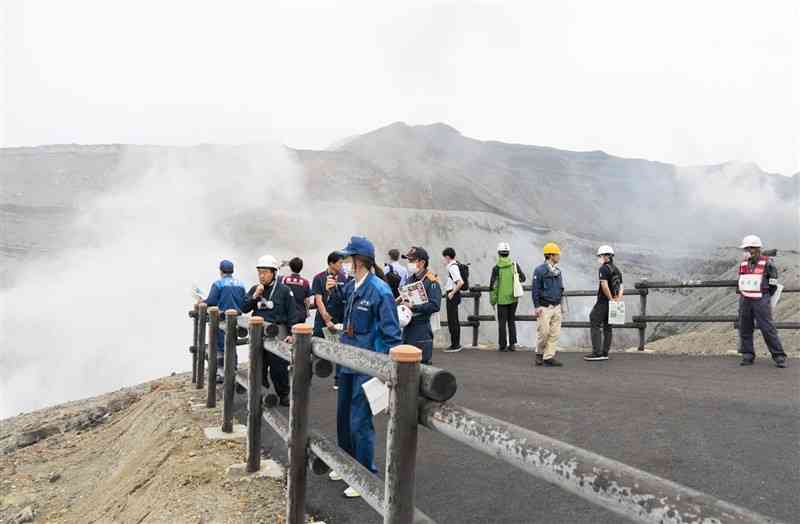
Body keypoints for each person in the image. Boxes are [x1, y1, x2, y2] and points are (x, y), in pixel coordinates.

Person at [326, 236, 402, 498]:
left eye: (349, 258)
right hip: (347, 360)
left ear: (360, 261)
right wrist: (333, 291)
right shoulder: (351, 287)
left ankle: (364, 473)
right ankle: (345, 464)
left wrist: (382, 370)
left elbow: (392, 336)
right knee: (343, 415)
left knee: (360, 421)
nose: (345, 263)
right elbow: (338, 312)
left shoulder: (380, 291)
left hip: (367, 365)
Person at [241, 255, 299, 406]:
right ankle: (261, 393)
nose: (262, 275)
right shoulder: (255, 289)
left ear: (274, 272)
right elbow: (244, 307)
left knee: (278, 366)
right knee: (258, 364)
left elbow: (293, 313)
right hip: (258, 331)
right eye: (259, 272)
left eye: (265, 272)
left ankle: (284, 394)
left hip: (278, 330)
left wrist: (292, 333)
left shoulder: (284, 290)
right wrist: (255, 296)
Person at [737, 235, 787, 368]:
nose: (748, 250)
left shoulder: (768, 263)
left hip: (761, 299)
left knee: (767, 328)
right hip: (745, 299)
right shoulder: (743, 263)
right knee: (745, 327)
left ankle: (779, 356)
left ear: (757, 248)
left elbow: (773, 284)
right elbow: (741, 280)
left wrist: (765, 296)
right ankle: (747, 355)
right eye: (746, 248)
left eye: (750, 248)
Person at [202, 259, 247, 382]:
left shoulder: (218, 284)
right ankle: (234, 368)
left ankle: (223, 374)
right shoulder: (241, 284)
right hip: (237, 319)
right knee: (232, 344)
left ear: (221, 271)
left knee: (221, 346)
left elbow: (211, 301)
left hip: (223, 320)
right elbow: (244, 302)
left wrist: (202, 302)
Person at [312, 252, 350, 389]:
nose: (342, 265)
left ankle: (338, 380)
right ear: (331, 264)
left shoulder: (345, 277)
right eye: (340, 263)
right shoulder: (319, 278)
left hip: (339, 320)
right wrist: (327, 319)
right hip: (322, 320)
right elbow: (318, 300)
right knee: (313, 346)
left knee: (339, 348)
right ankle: (305, 377)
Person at [400, 247, 442, 364]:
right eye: (409, 261)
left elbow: (435, 305)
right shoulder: (410, 279)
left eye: (412, 261)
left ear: (422, 262)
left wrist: (413, 307)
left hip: (422, 328)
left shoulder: (431, 280)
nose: (409, 264)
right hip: (408, 327)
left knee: (420, 364)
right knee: (405, 363)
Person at [586, 245, 623, 361]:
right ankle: (605, 353)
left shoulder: (603, 269)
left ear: (606, 256)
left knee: (594, 320)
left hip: (603, 301)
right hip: (614, 302)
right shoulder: (617, 269)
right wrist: (617, 299)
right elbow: (621, 287)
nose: (599, 258)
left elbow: (604, 285)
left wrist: (610, 299)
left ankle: (597, 353)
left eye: (600, 256)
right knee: (608, 327)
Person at [532, 243, 565, 367]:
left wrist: (561, 306)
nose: (559, 256)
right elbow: (535, 289)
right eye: (557, 254)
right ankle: (539, 354)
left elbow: (560, 289)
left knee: (555, 333)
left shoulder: (558, 271)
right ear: (551, 255)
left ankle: (548, 357)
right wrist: (537, 306)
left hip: (556, 306)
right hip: (544, 307)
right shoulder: (539, 270)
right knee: (544, 332)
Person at [490, 242, 526, 352]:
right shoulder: (514, 265)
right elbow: (523, 278)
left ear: (499, 253)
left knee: (502, 322)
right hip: (514, 298)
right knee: (511, 320)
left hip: (501, 299)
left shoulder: (496, 268)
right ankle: (512, 345)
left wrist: (493, 300)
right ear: (508, 253)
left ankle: (502, 345)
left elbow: (493, 286)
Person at [442, 247, 464, 352]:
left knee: (452, 320)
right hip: (454, 294)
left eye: (444, 258)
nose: (444, 260)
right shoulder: (455, 265)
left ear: (447, 257)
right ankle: (456, 343)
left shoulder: (452, 267)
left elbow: (460, 282)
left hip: (452, 294)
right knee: (454, 319)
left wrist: (452, 292)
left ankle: (455, 345)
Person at [282, 257, 312, 322]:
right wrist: (307, 311)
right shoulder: (305, 282)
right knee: (299, 332)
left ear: (290, 268)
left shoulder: (285, 280)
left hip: (287, 314)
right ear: (301, 268)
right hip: (300, 315)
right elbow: (307, 300)